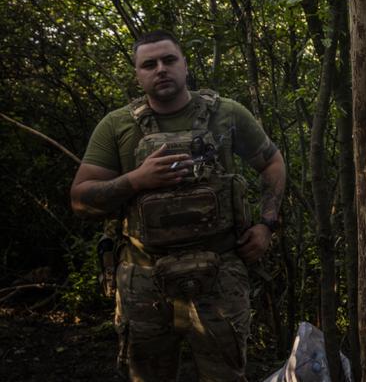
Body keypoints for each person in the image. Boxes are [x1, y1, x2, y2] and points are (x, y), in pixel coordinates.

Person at [70, 30, 286, 381]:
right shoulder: (117, 125)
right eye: (149, 64)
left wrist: (266, 224)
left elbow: (273, 164)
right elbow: (80, 199)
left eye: (169, 60)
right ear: (138, 74)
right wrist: (137, 180)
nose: (161, 69)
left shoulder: (227, 114)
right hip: (143, 277)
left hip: (220, 273)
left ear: (185, 65)